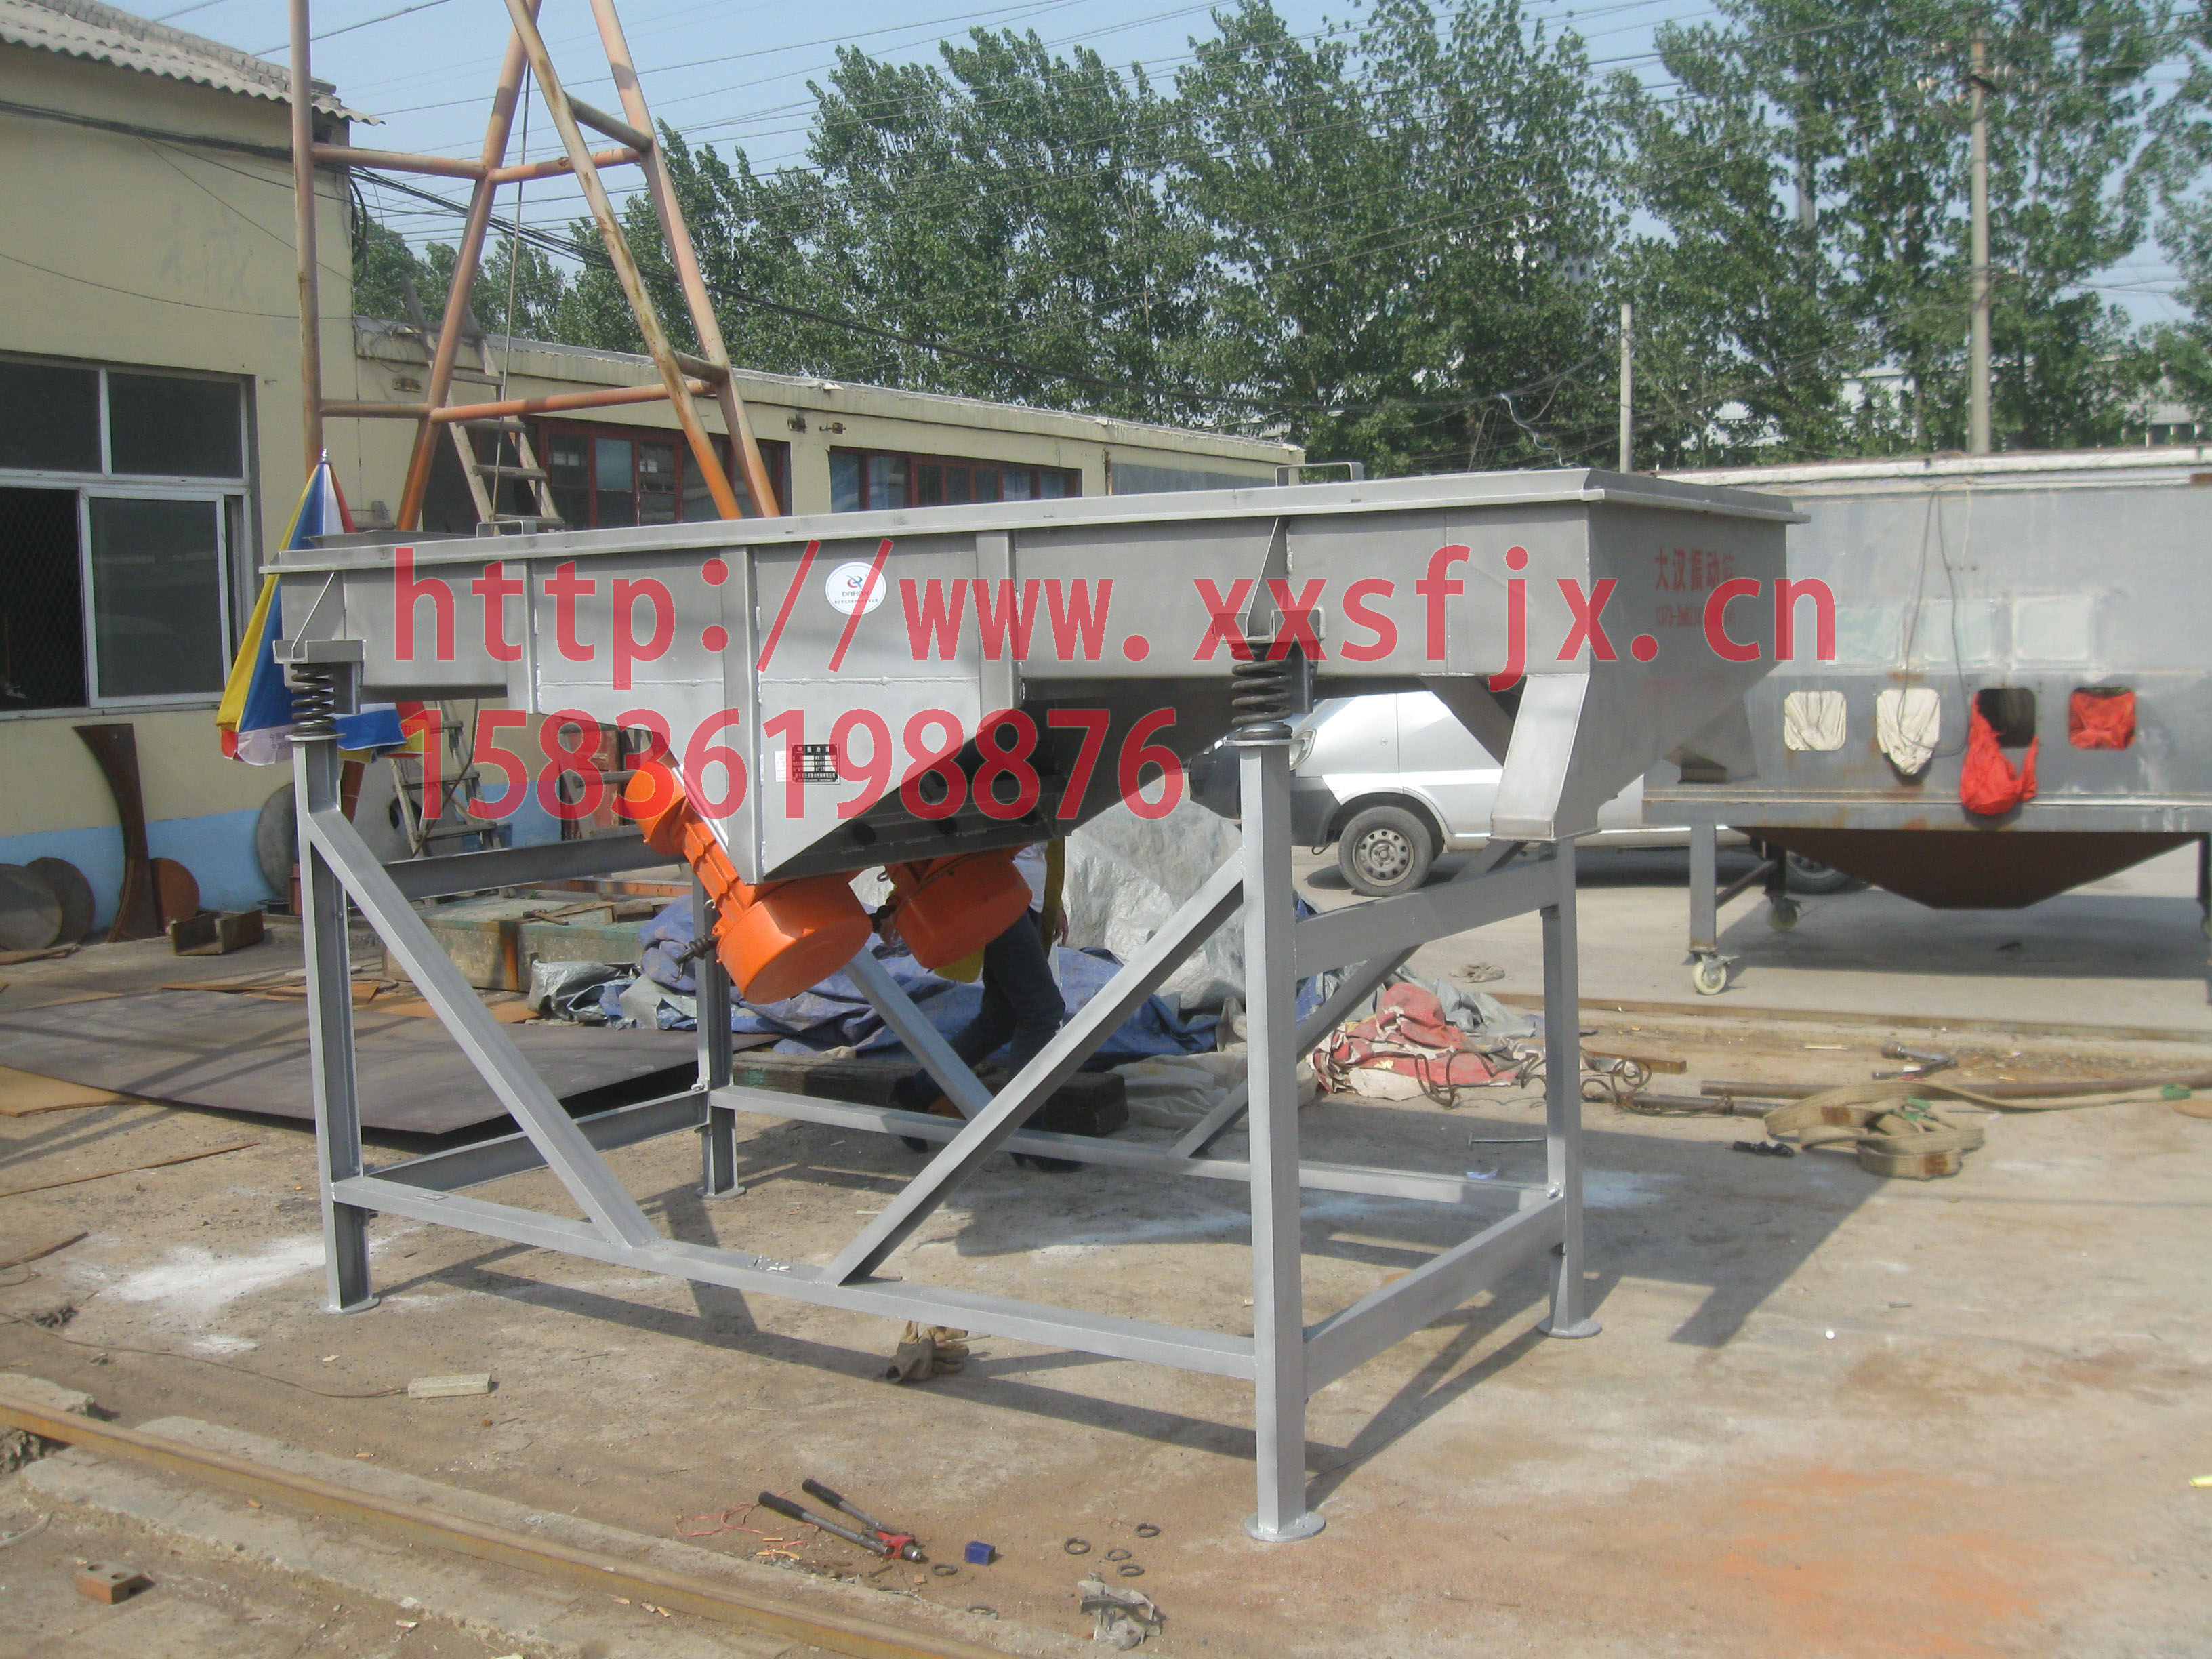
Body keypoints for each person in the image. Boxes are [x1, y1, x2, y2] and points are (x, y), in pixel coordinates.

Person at [890, 843, 1073, 1167]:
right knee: (1042, 1010)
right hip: (993, 891)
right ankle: (1026, 1129)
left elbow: (1045, 845)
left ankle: (918, 1092)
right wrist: (897, 901)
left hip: (1027, 898)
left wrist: (1053, 900)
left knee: (1001, 1017)